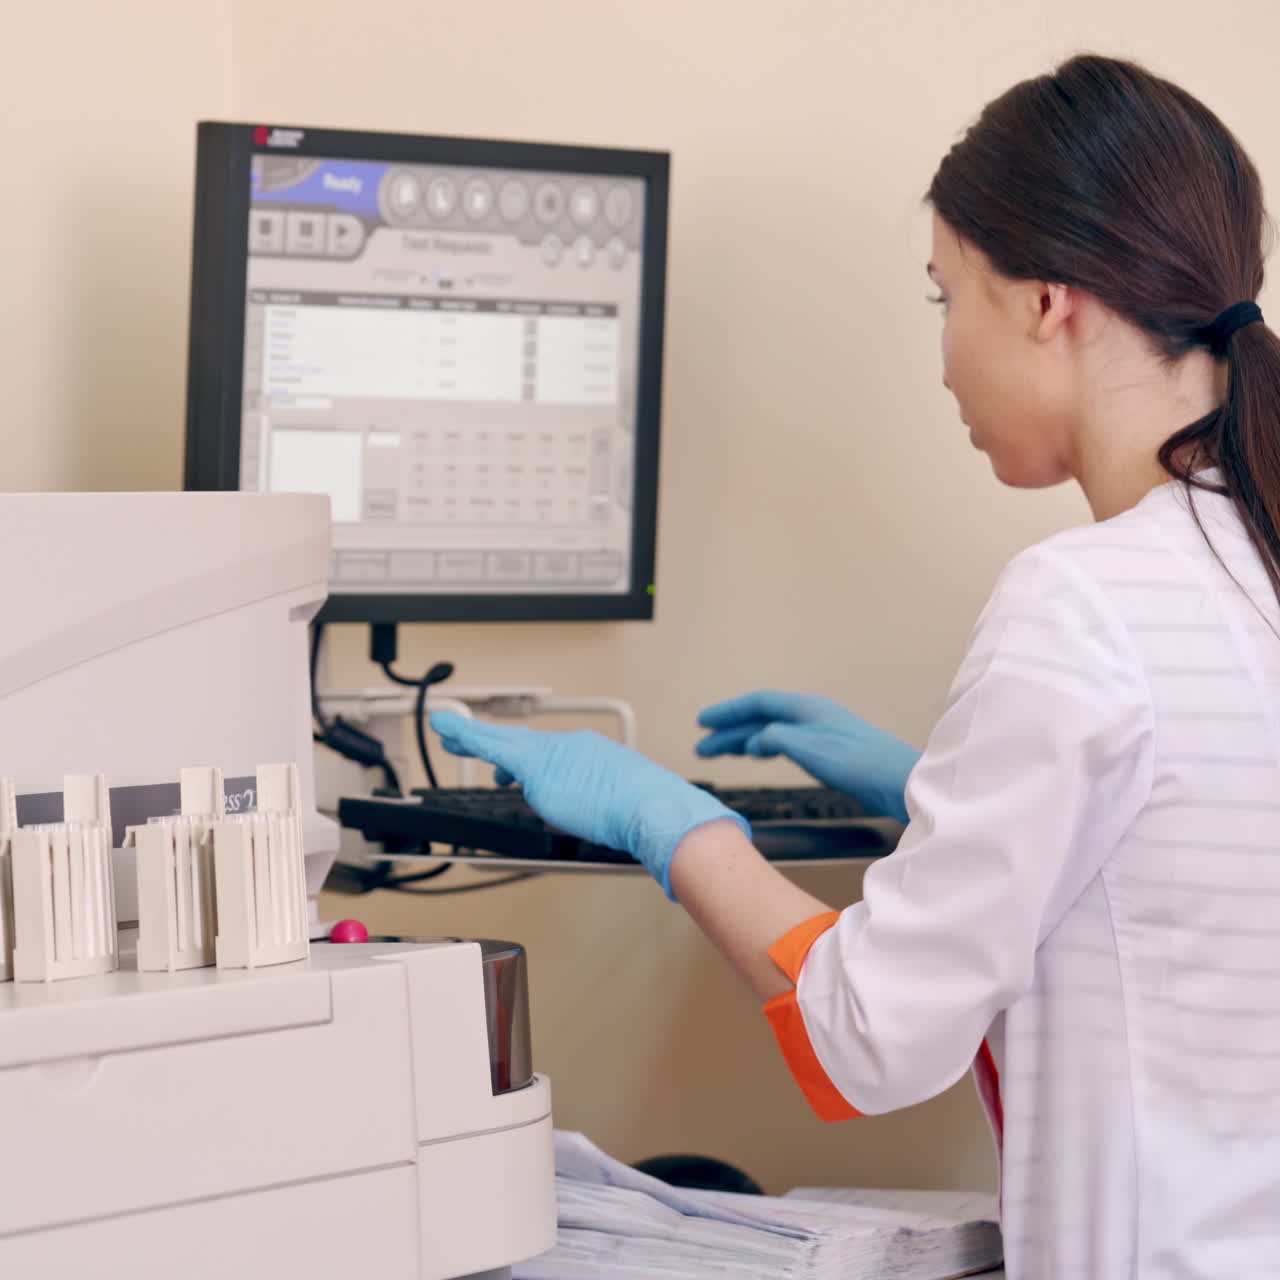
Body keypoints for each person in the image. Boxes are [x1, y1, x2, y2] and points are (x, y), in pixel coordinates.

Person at [431, 54, 1280, 1278]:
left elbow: (870, 1034)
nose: (942, 357)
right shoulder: (1244, 563)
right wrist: (929, 785)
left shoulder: (1081, 602)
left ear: (1046, 301)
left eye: (945, 297)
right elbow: (1178, 851)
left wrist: (672, 825)